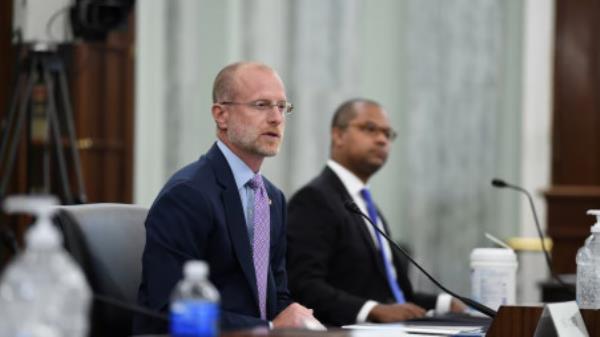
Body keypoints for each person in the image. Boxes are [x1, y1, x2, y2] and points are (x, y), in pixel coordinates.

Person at [133, 62, 322, 334]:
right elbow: (169, 312)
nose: (276, 118)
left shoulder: (272, 198)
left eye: (282, 107)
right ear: (221, 115)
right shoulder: (187, 195)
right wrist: (269, 327)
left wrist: (298, 319)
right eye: (261, 105)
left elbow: (276, 295)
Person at [286, 98, 465, 326]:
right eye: (370, 129)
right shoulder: (314, 199)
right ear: (338, 135)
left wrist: (444, 303)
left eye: (388, 134)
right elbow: (304, 285)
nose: (381, 139)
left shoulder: (366, 205)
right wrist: (371, 310)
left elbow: (393, 296)